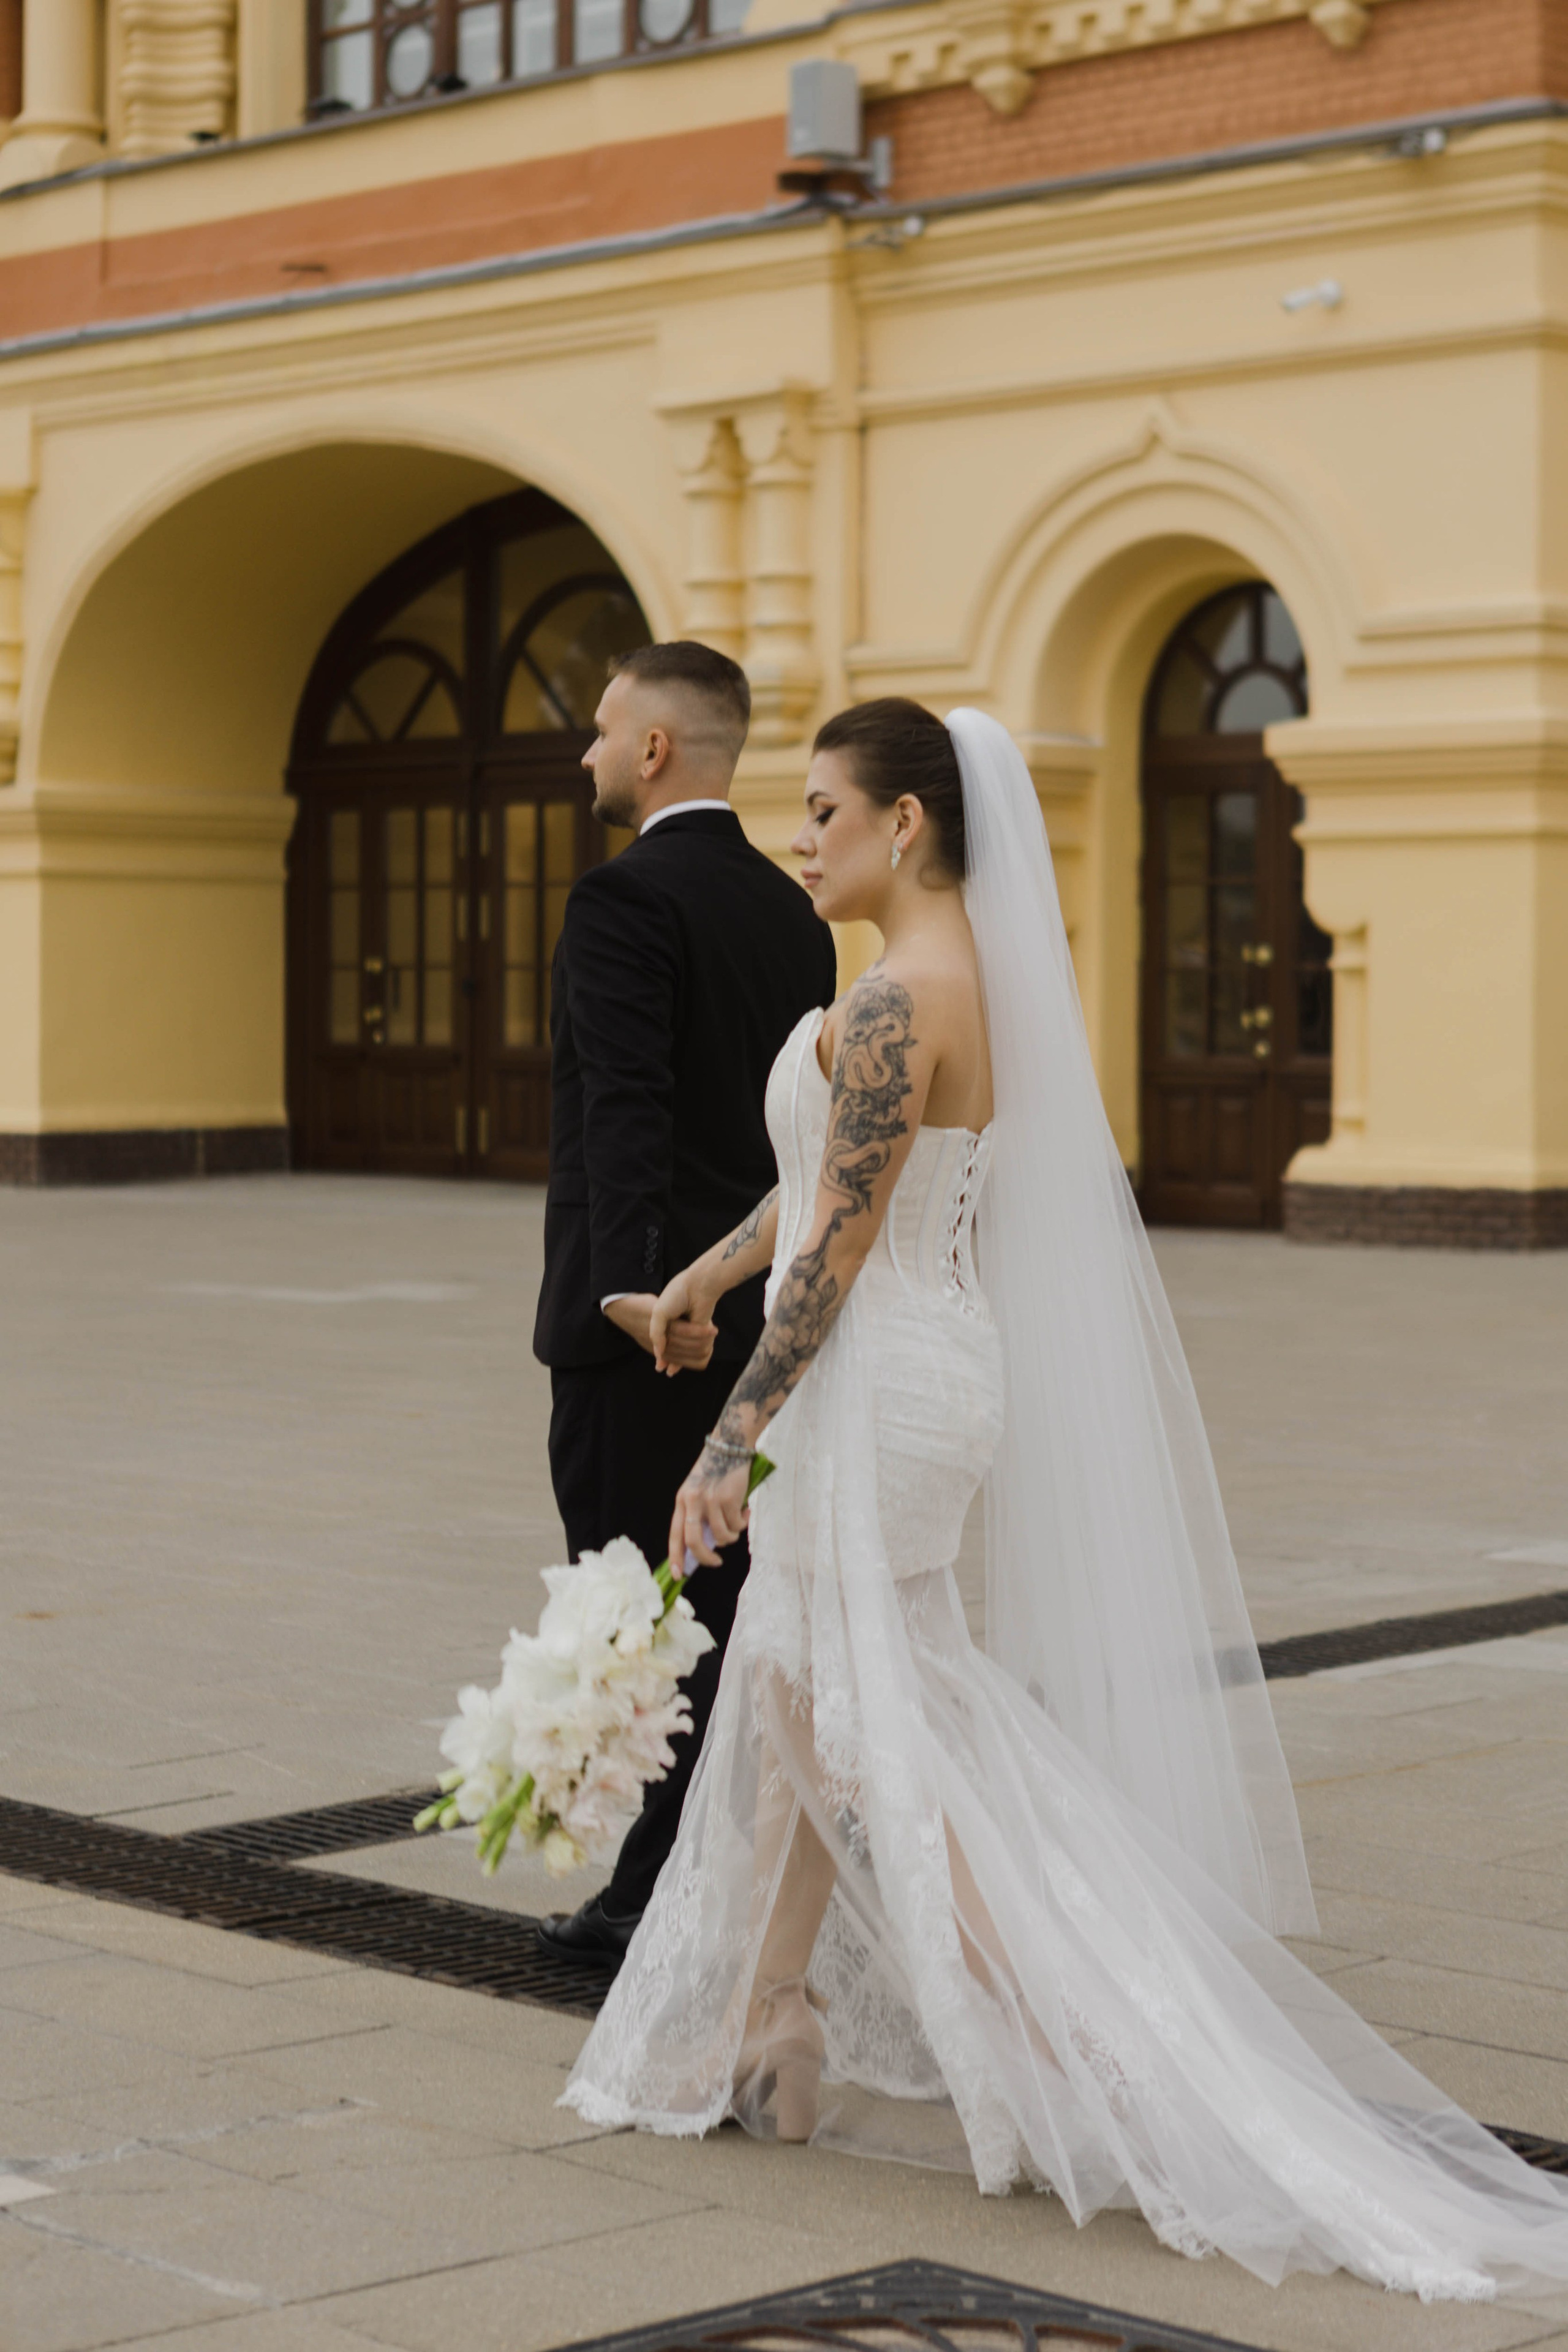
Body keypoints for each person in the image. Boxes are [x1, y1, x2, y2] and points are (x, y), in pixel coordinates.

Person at [560, 698, 1568, 2299]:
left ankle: (1095, 2052)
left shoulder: (898, 999)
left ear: (905, 824)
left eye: (823, 811)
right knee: (820, 1698)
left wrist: (727, 1439)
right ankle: (769, 2020)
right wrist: (699, 1274)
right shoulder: (959, 981)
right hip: (910, 1368)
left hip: (878, 1380)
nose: (798, 839)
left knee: (872, 1727)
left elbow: (839, 1249)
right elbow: (819, 1191)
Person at [533, 641, 837, 1967]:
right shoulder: (795, 914)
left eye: (603, 730)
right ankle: (706, 1877)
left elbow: (625, 1107)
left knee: (646, 1614)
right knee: (725, 1606)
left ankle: (651, 1900)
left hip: (648, 1334)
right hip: (762, 1317)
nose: (588, 752)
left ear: (654, 749)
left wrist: (635, 1290)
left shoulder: (620, 899)